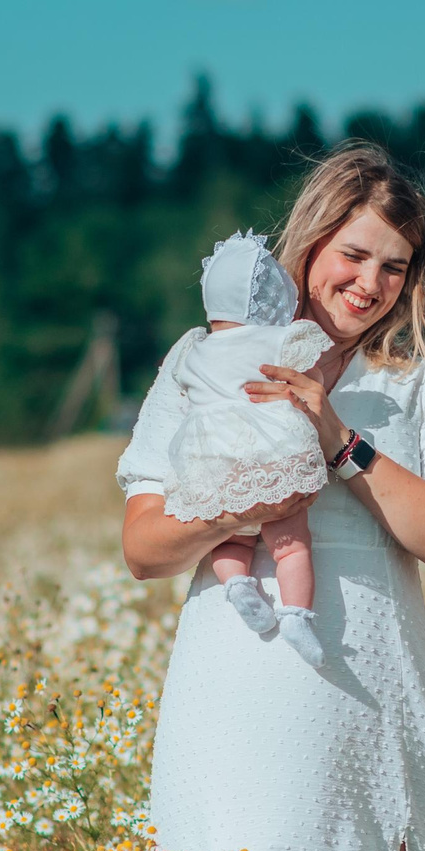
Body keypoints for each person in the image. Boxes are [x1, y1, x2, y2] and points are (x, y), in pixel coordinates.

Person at [118, 140, 425, 851]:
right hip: (231, 675)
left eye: (393, 266)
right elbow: (142, 545)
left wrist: (341, 446)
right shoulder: (205, 360)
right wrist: (243, 505)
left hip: (361, 682)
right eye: (353, 254)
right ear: (308, 242)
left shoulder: (417, 383)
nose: (369, 282)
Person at [155, 230, 334, 667]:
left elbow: (186, 392)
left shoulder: (193, 351)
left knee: (228, 536)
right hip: (267, 456)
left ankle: (236, 584)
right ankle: (295, 614)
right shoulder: (278, 339)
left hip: (210, 461)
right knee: (291, 544)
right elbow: (312, 380)